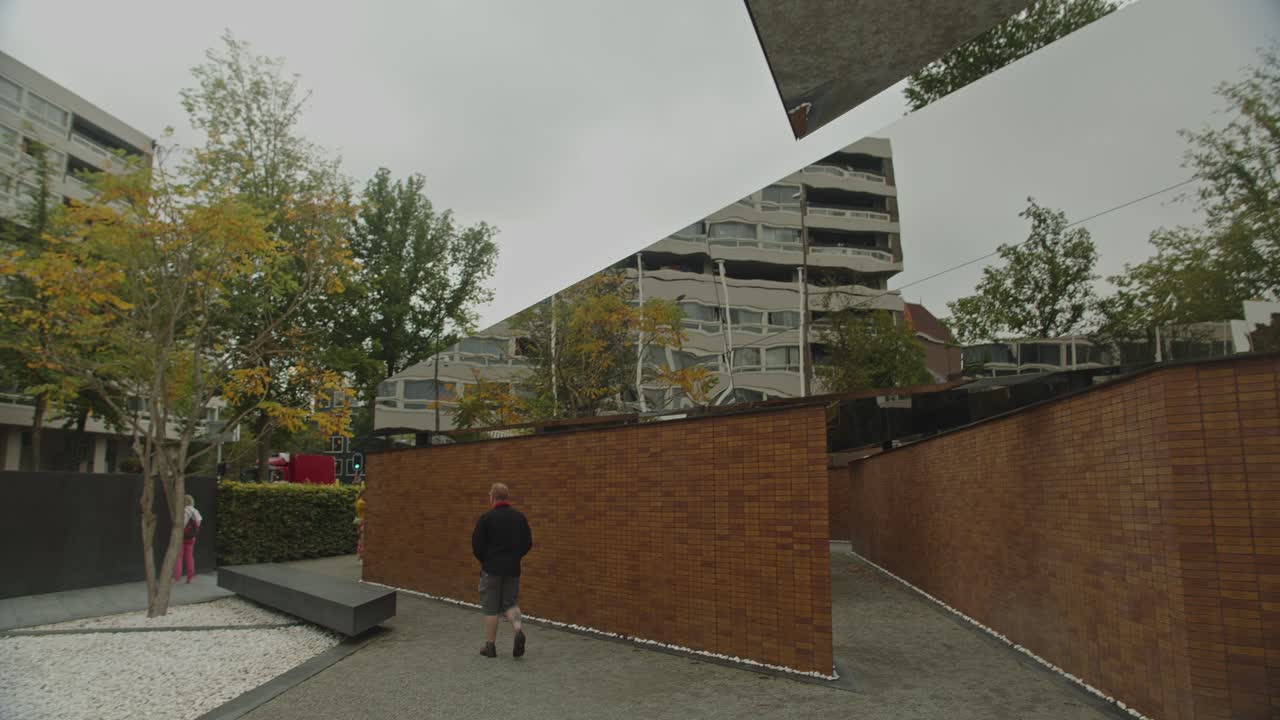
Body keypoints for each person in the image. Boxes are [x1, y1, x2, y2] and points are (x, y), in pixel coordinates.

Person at [471, 483, 533, 658]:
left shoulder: (486, 518)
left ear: (493, 497)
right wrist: (515, 557)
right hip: (512, 568)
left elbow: (476, 545)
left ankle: (490, 646)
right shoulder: (519, 518)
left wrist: (486, 560)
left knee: (491, 607)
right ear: (506, 497)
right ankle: (518, 630)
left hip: (491, 569)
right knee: (510, 602)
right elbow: (527, 543)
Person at [173, 495, 202, 583]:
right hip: (191, 537)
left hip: (181, 537)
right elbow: (198, 523)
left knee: (179, 557)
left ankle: (176, 577)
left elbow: (181, 525)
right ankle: (190, 577)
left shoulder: (183, 511)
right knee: (189, 556)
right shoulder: (195, 511)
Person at [354, 487, 366, 560]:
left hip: (361, 521)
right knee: (363, 539)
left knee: (362, 539)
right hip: (363, 521)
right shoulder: (361, 503)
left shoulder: (360, 501)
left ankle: (361, 555)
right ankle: (361, 555)